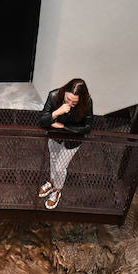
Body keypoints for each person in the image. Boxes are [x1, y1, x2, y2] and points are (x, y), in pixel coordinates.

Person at [36, 78, 94, 210]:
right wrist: (58, 112)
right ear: (65, 92)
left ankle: (57, 190)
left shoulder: (87, 102)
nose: (70, 103)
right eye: (68, 99)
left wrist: (63, 127)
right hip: (55, 137)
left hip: (72, 141)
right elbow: (42, 121)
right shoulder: (54, 96)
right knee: (53, 159)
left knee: (60, 168)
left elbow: (87, 127)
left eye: (75, 101)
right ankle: (51, 182)